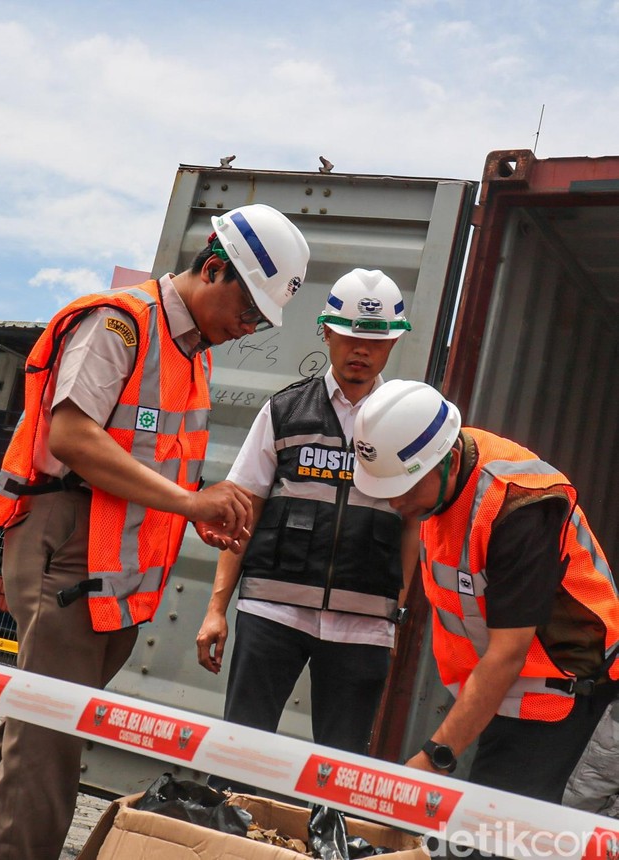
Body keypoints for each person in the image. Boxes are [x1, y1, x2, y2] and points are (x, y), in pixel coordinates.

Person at [0, 203, 310, 860]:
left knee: (28, 736)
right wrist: (189, 502)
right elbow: (72, 436)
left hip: (110, 575)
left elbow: (150, 468)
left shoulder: (194, 355)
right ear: (214, 269)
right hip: (66, 558)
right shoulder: (120, 325)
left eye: (260, 324)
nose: (247, 331)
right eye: (247, 314)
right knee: (49, 756)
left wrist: (195, 511)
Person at [197, 268, 418, 791]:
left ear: (393, 344)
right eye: (347, 336)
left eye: (375, 340)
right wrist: (215, 610)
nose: (360, 350)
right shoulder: (283, 410)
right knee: (239, 757)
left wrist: (397, 613)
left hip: (364, 625)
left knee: (341, 780)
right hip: (271, 611)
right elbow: (240, 512)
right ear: (325, 333)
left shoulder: (409, 423)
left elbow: (413, 526)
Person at [352, 378, 619, 805]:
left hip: (565, 702)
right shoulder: (436, 478)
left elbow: (509, 653)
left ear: (451, 460)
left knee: (500, 843)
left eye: (404, 488)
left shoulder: (520, 506)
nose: (396, 503)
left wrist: (436, 756)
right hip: (504, 701)